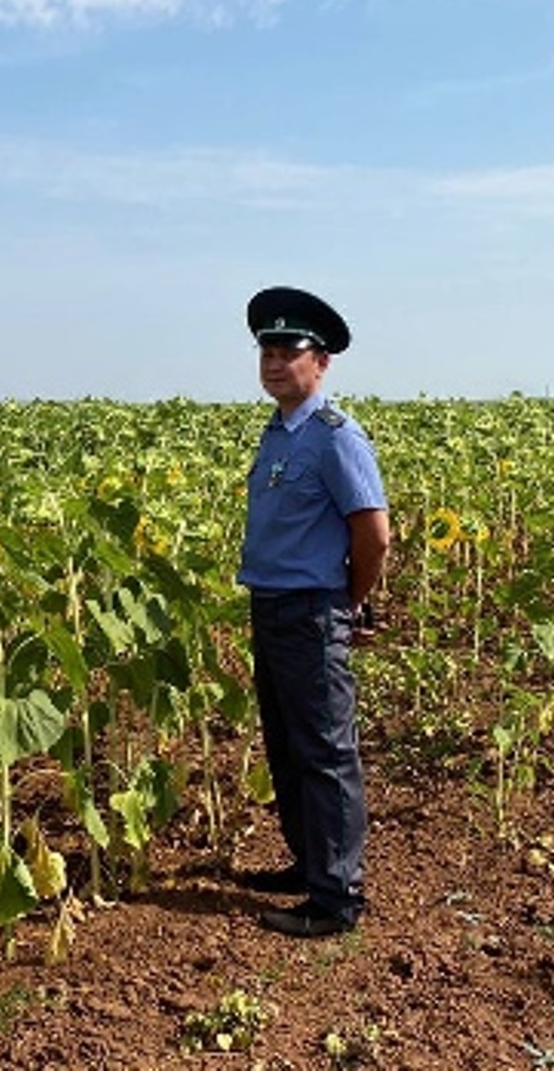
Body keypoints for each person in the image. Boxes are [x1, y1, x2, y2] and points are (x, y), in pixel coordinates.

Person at [236, 285, 390, 938]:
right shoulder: (279, 433)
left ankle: (337, 898)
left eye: (288, 351)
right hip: (271, 605)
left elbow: (374, 532)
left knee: (326, 750)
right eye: (266, 350)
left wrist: (347, 600)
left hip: (311, 608)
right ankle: (310, 864)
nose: (274, 362)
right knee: (288, 744)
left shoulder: (335, 437)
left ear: (320, 362)